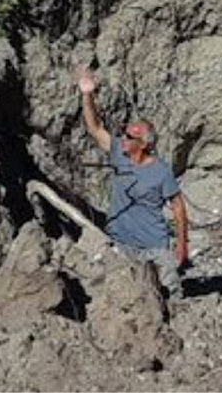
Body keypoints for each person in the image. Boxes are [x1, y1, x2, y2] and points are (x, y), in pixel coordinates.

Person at [76, 66, 188, 300]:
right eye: (124, 133)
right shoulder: (119, 152)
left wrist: (181, 245)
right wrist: (87, 95)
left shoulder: (161, 172)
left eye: (130, 137)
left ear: (144, 144)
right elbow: (95, 128)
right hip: (120, 242)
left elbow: (177, 206)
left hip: (154, 245)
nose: (123, 139)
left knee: (170, 296)